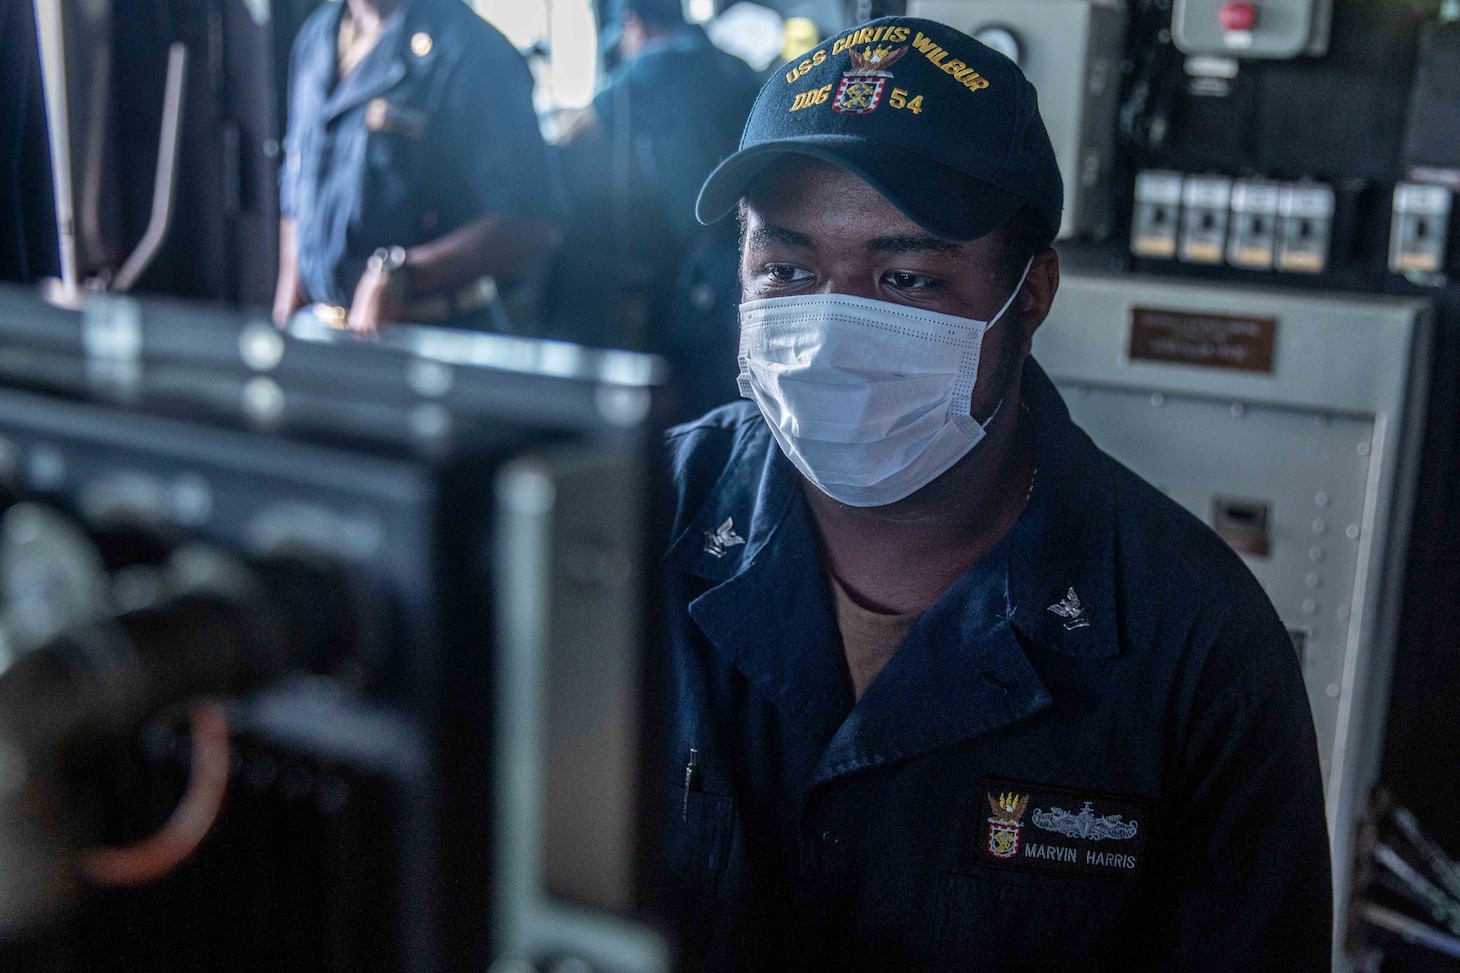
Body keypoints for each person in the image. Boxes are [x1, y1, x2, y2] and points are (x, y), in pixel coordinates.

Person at [655, 16, 1332, 971]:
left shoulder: (1194, 644)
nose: (835, 333)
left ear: (1033, 293)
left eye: (906, 278)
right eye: (789, 272)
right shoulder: (625, 530)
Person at [273, 0, 561, 335]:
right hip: (324, 336)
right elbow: (298, 191)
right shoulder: (316, 35)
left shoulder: (473, 49)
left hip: (432, 337)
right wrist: (284, 324)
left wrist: (406, 274)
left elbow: (533, 218)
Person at [550, 0, 759, 418]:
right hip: (754, 250)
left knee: (701, 404)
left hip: (710, 263)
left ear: (634, 25)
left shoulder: (653, 67)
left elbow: (574, 132)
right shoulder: (733, 65)